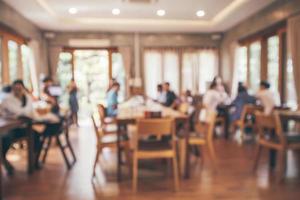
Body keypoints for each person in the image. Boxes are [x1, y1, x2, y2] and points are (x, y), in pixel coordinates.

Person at [1, 80, 40, 175]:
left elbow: (31, 112)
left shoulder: (28, 98)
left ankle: (34, 161)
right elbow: (1, 113)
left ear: (23, 88)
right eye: (15, 88)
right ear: (12, 89)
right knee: (5, 139)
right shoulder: (7, 100)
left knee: (37, 136)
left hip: (24, 128)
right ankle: (4, 162)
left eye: (20, 88)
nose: (18, 90)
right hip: (10, 129)